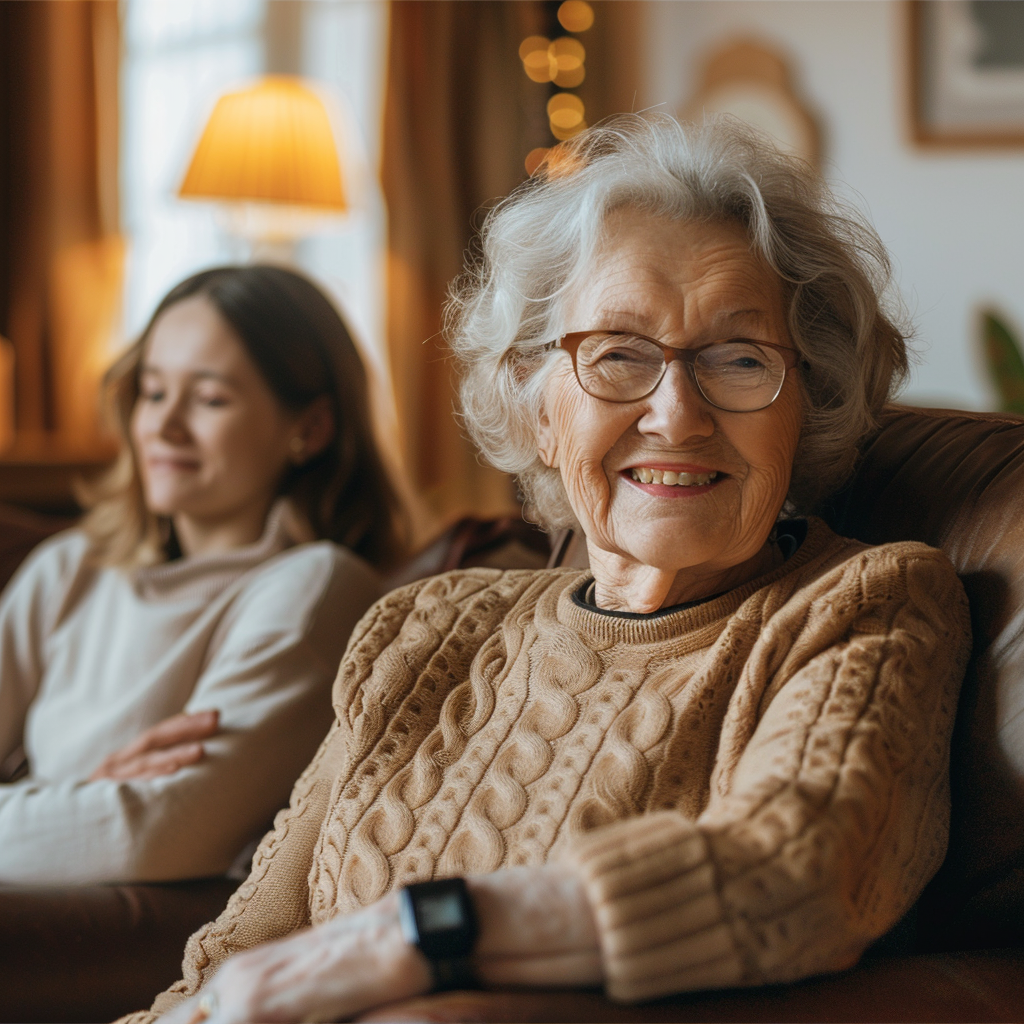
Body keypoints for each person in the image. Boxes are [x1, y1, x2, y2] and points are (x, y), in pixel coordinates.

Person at [129, 116, 971, 1024]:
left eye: (739, 358)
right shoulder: (423, 630)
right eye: (618, 354)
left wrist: (412, 936)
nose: (677, 414)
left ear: (805, 407)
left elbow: (798, 867)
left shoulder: (865, 603)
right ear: (535, 403)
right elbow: (228, 970)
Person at [0, 264, 404, 885]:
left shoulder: (316, 590)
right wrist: (83, 798)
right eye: (154, 392)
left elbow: (148, 836)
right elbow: (106, 827)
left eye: (210, 398)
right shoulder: (68, 568)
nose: (163, 427)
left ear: (311, 428)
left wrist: (63, 806)